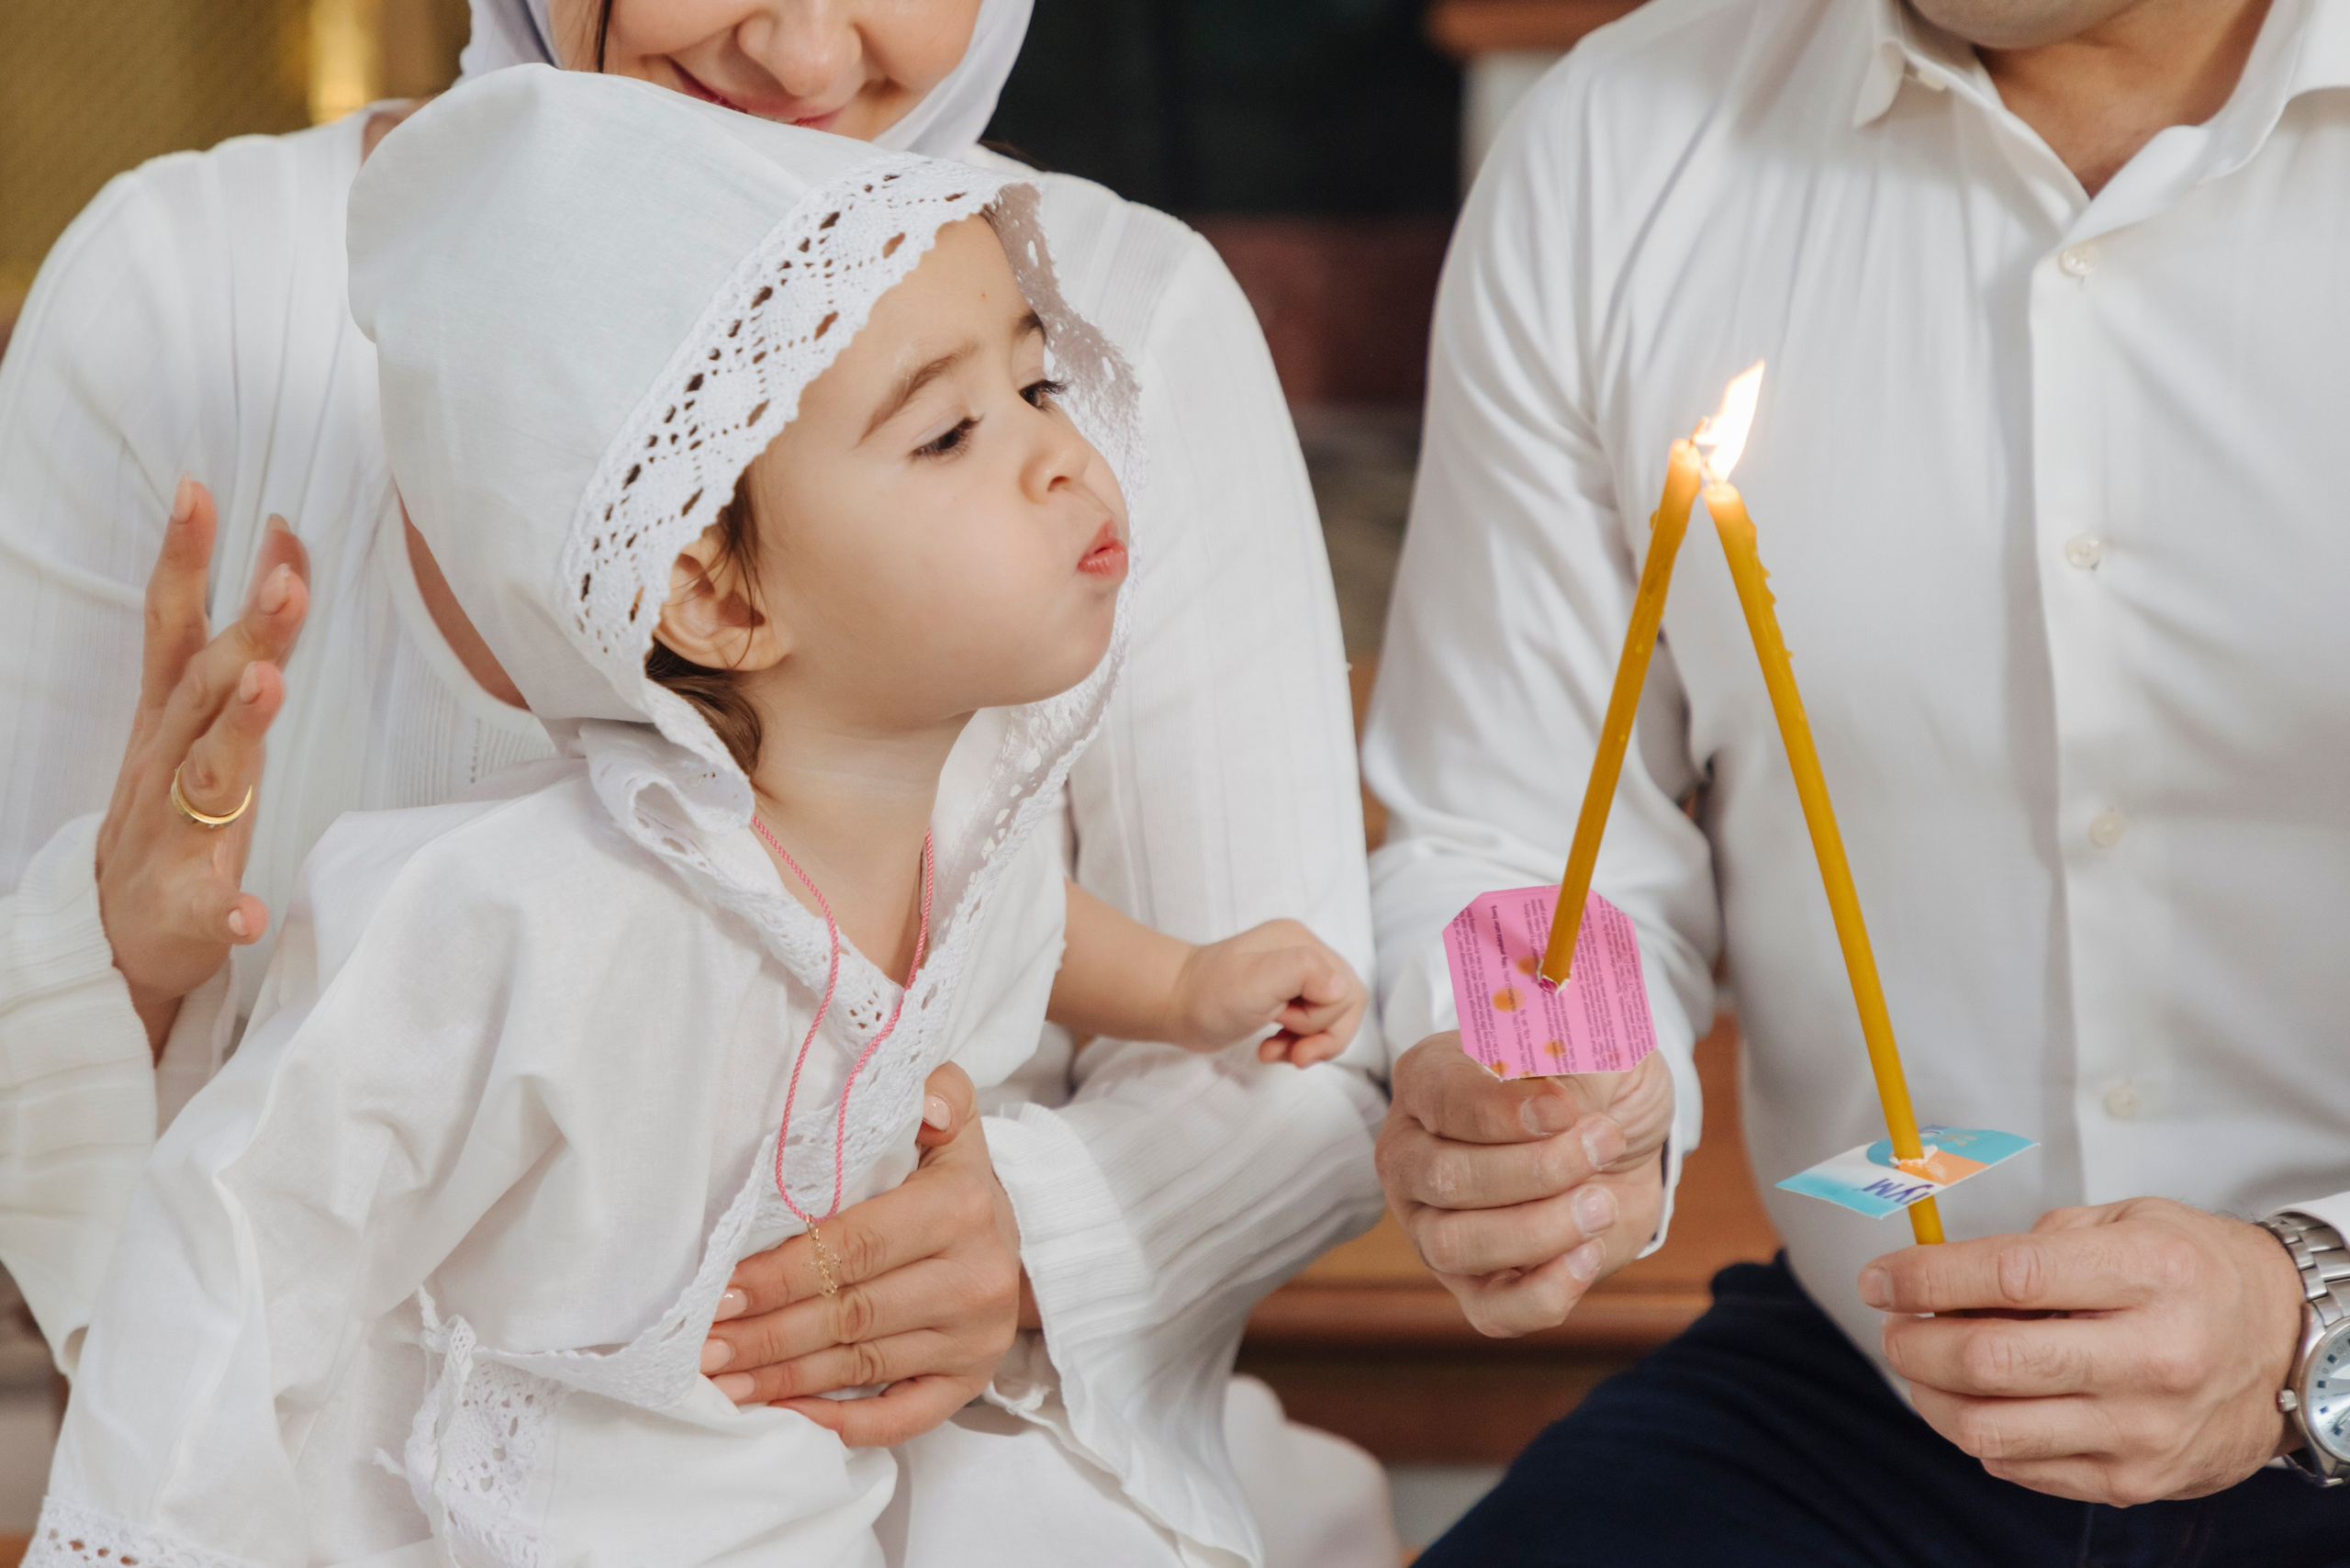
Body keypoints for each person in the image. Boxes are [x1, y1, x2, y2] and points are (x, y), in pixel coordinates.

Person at [0, 2, 1392, 1564]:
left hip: (941, 1483)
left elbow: (1133, 981)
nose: (801, 59)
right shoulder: (184, 296)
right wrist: (114, 971)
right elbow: (238, 1234)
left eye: (1042, 393)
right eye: (940, 433)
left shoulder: (1097, 299)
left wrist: (1037, 1233)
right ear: (708, 593)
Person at [1365, 0, 2350, 1561]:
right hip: (1875, 1394)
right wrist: (1546, 1088)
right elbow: (1515, 821)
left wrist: (2313, 1318)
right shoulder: (1619, 148)